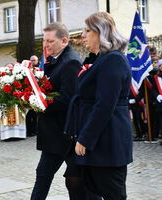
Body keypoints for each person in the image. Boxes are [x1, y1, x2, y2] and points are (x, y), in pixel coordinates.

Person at [31, 22, 94, 200]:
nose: (46, 45)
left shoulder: (70, 62)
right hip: (54, 133)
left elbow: (69, 99)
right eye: (44, 40)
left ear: (64, 40)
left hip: (65, 134)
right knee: (46, 176)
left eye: (50, 41)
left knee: (77, 181)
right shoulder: (55, 59)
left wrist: (38, 102)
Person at [74, 12, 133, 200]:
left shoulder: (113, 60)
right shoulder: (101, 59)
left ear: (101, 32)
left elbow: (104, 105)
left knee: (113, 194)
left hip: (108, 140)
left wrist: (85, 139)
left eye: (87, 30)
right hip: (101, 140)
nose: (83, 35)